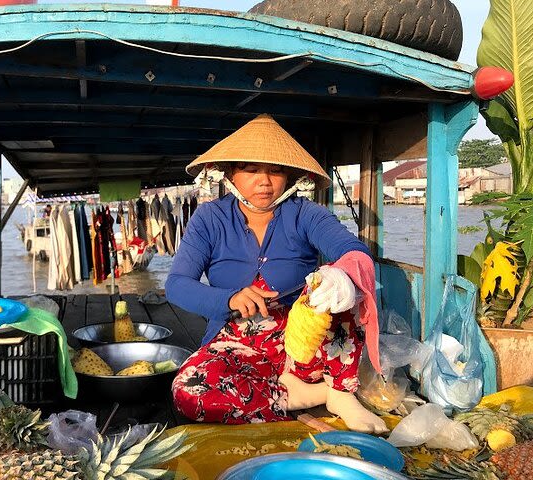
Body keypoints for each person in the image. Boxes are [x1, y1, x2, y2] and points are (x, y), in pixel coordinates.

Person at [165, 114, 387, 433]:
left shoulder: (306, 213)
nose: (264, 181)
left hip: (303, 347)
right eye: (250, 169)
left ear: (290, 176)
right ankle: (314, 394)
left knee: (336, 286)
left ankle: (339, 392)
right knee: (189, 393)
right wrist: (230, 299)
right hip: (237, 339)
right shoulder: (209, 218)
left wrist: (341, 278)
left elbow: (355, 252)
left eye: (275, 170)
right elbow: (176, 286)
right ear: (229, 174)